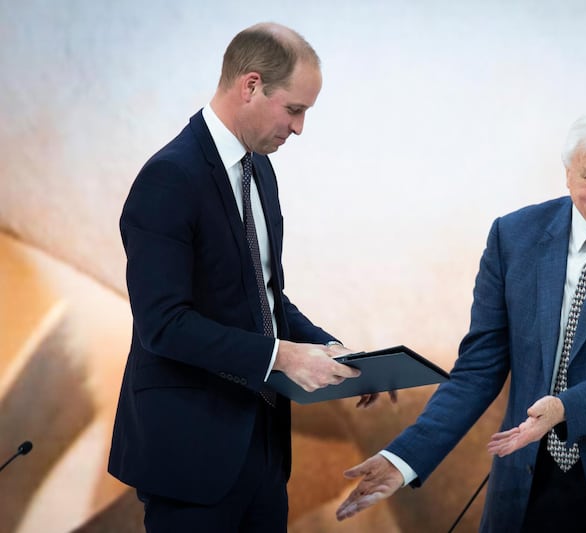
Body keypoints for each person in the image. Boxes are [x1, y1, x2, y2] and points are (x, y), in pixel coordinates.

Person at [336, 109, 586, 532]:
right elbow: (477, 370)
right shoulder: (513, 236)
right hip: (531, 478)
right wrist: (404, 458)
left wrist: (564, 408)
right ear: (568, 174)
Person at [108, 22, 389, 532]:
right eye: (295, 109)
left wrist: (331, 350)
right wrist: (284, 356)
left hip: (261, 449)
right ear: (251, 86)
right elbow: (164, 324)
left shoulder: (260, 169)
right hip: (189, 457)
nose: (300, 128)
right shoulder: (169, 177)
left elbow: (264, 297)